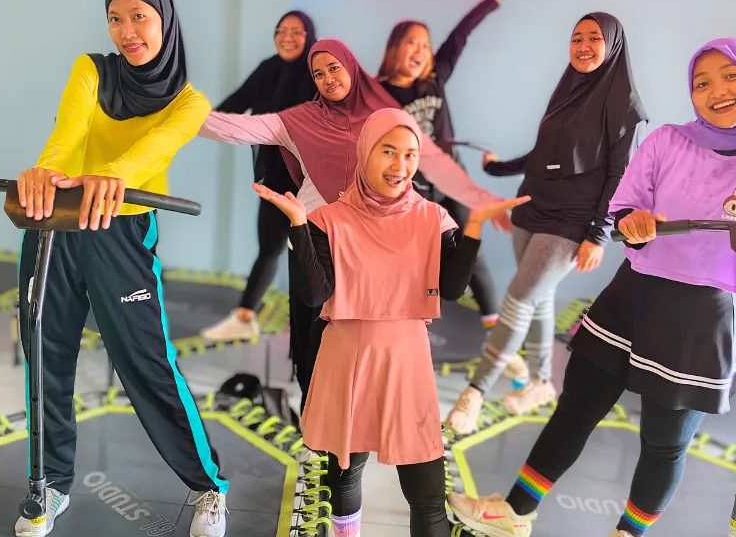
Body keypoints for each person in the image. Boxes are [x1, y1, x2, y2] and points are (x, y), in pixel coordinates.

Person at [447, 38, 736, 537]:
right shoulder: (667, 140)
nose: (716, 91)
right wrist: (634, 222)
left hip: (702, 317)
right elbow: (625, 210)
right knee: (575, 409)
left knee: (664, 444)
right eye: (702, 83)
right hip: (633, 296)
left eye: (731, 76)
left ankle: (628, 533)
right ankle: (515, 512)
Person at [14, 0, 229, 537]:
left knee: (148, 364)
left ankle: (209, 486)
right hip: (56, 226)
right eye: (115, 19)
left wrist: (111, 176)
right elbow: (67, 133)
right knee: (44, 357)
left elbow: (149, 152)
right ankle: (47, 485)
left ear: (165, 20)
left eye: (139, 17)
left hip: (123, 231)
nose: (127, 31)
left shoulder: (190, 103)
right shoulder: (90, 69)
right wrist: (48, 171)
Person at [254, 108, 530, 537]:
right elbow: (315, 294)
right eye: (388, 152)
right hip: (346, 362)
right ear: (365, 152)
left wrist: (473, 229)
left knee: (428, 494)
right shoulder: (329, 219)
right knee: (345, 473)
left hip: (408, 364)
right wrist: (298, 226)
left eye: (409, 154)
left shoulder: (432, 218)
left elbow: (451, 288)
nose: (400, 165)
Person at [196, 38, 511, 412]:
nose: (328, 78)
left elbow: (438, 164)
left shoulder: (388, 120)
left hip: (373, 252)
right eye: (318, 73)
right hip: (316, 243)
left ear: (351, 67)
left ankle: (361, 427)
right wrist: (172, 107)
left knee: (369, 353)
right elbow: (234, 127)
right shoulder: (298, 120)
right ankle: (316, 428)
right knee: (312, 349)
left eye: (334, 67)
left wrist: (482, 200)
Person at [445, 12, 648, 433]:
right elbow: (545, 151)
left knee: (519, 298)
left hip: (573, 221)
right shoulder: (567, 89)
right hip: (532, 207)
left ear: (612, 44)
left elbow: (621, 176)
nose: (583, 46)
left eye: (594, 38)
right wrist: (500, 168)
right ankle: (540, 382)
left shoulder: (626, 107)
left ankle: (476, 391)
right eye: (577, 38)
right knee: (538, 297)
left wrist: (598, 234)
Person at [377, 0, 533, 339]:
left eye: (425, 45)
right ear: (394, 48)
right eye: (411, 42)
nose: (420, 50)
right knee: (413, 256)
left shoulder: (436, 78)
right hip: (410, 185)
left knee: (469, 247)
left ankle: (494, 330)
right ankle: (412, 326)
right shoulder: (377, 94)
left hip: (452, 178)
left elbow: (464, 30)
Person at [201, 11, 319, 342]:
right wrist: (197, 122)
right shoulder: (269, 69)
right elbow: (236, 103)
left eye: (296, 32)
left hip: (312, 183)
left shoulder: (317, 72)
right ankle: (244, 316)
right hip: (274, 178)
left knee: (310, 256)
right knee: (269, 248)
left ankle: (315, 326)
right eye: (281, 30)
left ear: (310, 37)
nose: (287, 37)